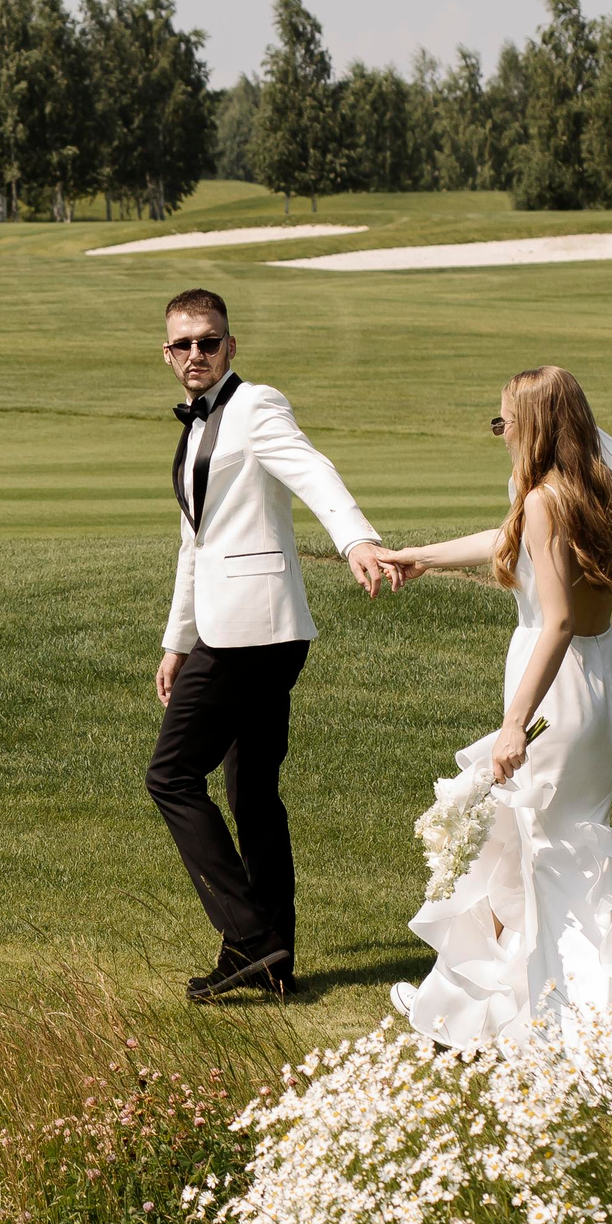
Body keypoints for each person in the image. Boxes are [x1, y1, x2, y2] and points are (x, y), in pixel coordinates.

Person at [375, 366, 612, 1102]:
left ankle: (589, 1027)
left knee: (543, 846)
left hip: (553, 685)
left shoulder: (540, 499)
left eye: (504, 422)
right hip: (601, 680)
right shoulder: (596, 490)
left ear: (532, 424)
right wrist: (420, 558)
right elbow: (511, 546)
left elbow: (555, 618)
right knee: (538, 844)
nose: (499, 436)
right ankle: (488, 1012)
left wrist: (511, 723)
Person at [146, 287, 392, 1002]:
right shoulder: (196, 430)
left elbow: (311, 468)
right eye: (184, 343)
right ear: (166, 353)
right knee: (252, 793)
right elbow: (197, 544)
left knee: (169, 775)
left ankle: (250, 936)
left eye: (209, 341)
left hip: (256, 632)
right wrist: (176, 643)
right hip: (240, 627)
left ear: (231, 346)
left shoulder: (255, 405)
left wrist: (356, 536)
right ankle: (272, 960)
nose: (197, 353)